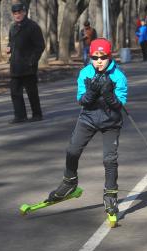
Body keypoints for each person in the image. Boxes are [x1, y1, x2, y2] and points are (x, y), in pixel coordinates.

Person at [45, 38, 128, 217]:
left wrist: (108, 93)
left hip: (110, 122)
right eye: (95, 57)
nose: (99, 61)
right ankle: (69, 182)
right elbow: (81, 100)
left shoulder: (118, 76)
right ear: (90, 57)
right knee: (72, 150)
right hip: (88, 119)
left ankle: (110, 195)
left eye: (103, 57)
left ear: (110, 56)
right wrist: (91, 93)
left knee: (109, 159)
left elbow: (119, 105)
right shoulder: (85, 73)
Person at [6, 2, 45, 123]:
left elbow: (40, 46)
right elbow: (12, 42)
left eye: (19, 12)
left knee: (31, 91)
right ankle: (20, 116)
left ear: (24, 12)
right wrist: (9, 48)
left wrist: (32, 61)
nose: (17, 15)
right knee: (15, 92)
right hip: (15, 65)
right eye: (15, 13)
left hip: (28, 66)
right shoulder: (12, 27)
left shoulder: (33, 26)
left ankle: (37, 114)